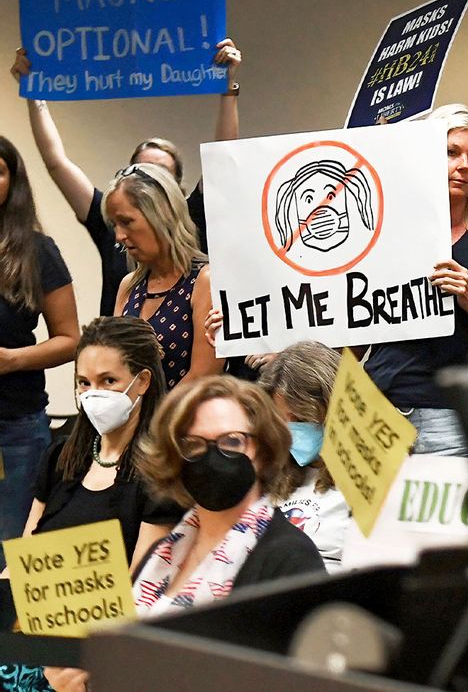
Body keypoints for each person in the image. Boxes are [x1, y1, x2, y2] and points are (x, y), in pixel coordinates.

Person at [43, 375, 324, 692]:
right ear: (174, 459)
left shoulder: (289, 559)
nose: (213, 457)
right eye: (193, 445)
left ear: (262, 451)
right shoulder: (162, 554)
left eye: (232, 442)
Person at [2, 317, 182, 692]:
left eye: (108, 381)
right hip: (32, 635)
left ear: (143, 382)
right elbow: (24, 557)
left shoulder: (160, 475)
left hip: (93, 654)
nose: (93, 393)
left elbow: (140, 590)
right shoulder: (62, 456)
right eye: (84, 383)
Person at [10, 42, 241, 315]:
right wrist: (35, 93)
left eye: (159, 176)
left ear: (176, 188)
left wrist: (228, 88)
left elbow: (222, 159)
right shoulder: (113, 223)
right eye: (140, 173)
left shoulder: (191, 219)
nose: (148, 184)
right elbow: (56, 162)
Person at [365, 104, 468, 456]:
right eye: (450, 152)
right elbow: (355, 334)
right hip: (377, 412)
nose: (464, 165)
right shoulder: (384, 235)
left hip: (453, 419)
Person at [0, 138, 80, 557]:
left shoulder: (37, 251)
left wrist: (12, 361)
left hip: (13, 425)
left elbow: (70, 339)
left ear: (13, 182)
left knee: (12, 549)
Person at [104, 163, 222, 390]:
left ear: (161, 215)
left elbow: (203, 376)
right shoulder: (129, 286)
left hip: (180, 420)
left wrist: (151, 419)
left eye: (126, 222)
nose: (118, 236)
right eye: (114, 225)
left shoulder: (205, 280)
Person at [258, 341, 351, 570]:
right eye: (281, 420)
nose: (290, 430)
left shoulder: (375, 478)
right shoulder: (266, 470)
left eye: (299, 418)